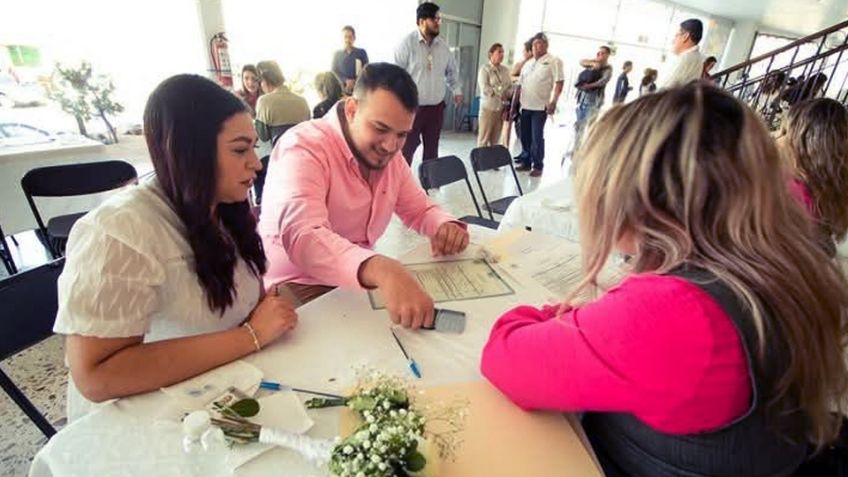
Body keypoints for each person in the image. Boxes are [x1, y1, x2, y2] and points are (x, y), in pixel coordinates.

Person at [481, 83, 848, 476]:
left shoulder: (676, 311)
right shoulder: (777, 265)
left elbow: (505, 356)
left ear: (642, 198)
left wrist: (562, 315)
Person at [53, 75, 298, 420]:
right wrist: (251, 335)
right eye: (240, 150)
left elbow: (248, 300)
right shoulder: (118, 231)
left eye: (254, 148)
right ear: (189, 153)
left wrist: (263, 316)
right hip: (143, 417)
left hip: (219, 388)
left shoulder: (224, 207)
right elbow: (96, 375)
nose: (256, 163)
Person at [258, 63, 469, 327]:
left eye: (402, 135)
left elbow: (418, 208)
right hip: (296, 286)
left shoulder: (389, 157)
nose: (391, 146)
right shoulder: (302, 147)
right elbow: (305, 237)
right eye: (380, 129)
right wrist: (381, 268)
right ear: (352, 110)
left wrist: (444, 225)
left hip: (354, 282)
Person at [394, 2, 462, 165]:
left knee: (432, 148)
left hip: (436, 108)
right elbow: (396, 76)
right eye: (435, 19)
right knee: (407, 148)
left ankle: (431, 184)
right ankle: (402, 184)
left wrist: (457, 90)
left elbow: (452, 71)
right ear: (422, 21)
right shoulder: (406, 45)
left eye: (439, 19)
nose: (438, 22)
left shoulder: (443, 47)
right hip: (412, 108)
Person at [781, 98, 848, 254]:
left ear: (803, 144)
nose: (778, 138)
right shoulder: (832, 186)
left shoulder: (788, 191)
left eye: (784, 132)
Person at [516, 33, 563, 177]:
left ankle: (538, 165)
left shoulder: (553, 61)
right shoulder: (528, 63)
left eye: (540, 44)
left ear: (546, 45)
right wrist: (513, 105)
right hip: (525, 106)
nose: (537, 47)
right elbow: (519, 85)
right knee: (525, 136)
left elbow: (559, 82)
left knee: (537, 137)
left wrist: (554, 101)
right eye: (535, 44)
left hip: (540, 107)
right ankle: (526, 161)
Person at [254, 60, 311, 143]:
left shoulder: (264, 102)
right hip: (302, 152)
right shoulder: (303, 101)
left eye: (260, 81)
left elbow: (263, 136)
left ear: (265, 80)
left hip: (279, 153)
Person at [573, 46, 613, 153]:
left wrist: (588, 86)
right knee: (578, 125)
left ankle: (587, 150)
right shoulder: (592, 63)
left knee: (590, 126)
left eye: (602, 53)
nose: (599, 55)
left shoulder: (608, 68)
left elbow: (603, 81)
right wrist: (593, 63)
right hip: (582, 99)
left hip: (594, 101)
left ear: (608, 55)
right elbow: (581, 61)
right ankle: (576, 148)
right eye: (598, 53)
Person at [477, 43, 512, 147]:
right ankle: (480, 160)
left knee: (495, 140)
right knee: (484, 139)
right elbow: (485, 88)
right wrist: (500, 93)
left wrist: (509, 94)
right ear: (491, 54)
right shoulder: (485, 69)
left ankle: (492, 161)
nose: (502, 55)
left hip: (500, 109)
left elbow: (509, 86)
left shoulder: (505, 70)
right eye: (499, 52)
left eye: (503, 52)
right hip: (488, 109)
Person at [509, 38, 535, 160]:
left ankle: (529, 155)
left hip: (533, 102)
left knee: (531, 132)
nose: (523, 53)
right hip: (520, 100)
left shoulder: (538, 65)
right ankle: (524, 153)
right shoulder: (522, 64)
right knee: (522, 130)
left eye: (524, 51)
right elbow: (512, 76)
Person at [662, 18, 705, 88]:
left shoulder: (685, 58)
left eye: (676, 35)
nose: (673, 41)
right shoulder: (697, 57)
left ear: (685, 36)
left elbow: (664, 90)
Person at [332, 25, 369, 94]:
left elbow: (367, 70)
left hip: (359, 90)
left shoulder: (361, 52)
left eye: (350, 37)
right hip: (341, 91)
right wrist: (346, 80)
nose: (347, 40)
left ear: (354, 38)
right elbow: (333, 72)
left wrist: (354, 82)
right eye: (345, 37)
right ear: (341, 38)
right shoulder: (337, 54)